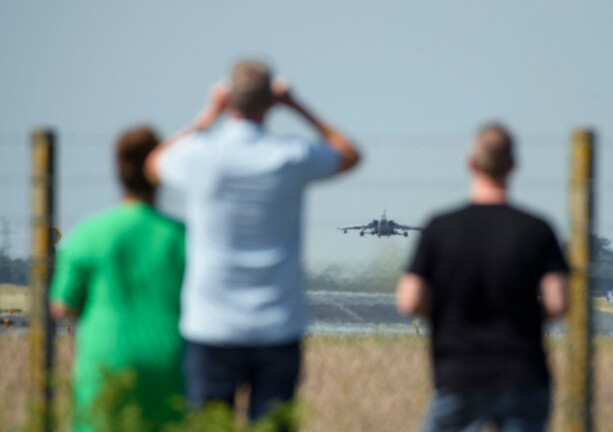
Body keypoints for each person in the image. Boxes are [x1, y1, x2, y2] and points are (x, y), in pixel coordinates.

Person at [144, 60, 361, 427]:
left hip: (210, 327)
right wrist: (296, 104)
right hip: (277, 327)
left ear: (228, 99)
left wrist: (208, 113)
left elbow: (154, 163)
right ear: (271, 102)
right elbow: (349, 153)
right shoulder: (292, 155)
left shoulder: (199, 155)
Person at [396, 123, 569, 432]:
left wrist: (447, 316)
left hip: (457, 375)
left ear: (470, 164)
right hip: (523, 373)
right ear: (514, 165)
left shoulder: (439, 227)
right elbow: (559, 302)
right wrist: (524, 316)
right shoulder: (538, 228)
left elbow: (409, 300)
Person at [50, 127, 186, 432]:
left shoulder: (89, 233)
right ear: (159, 173)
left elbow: (62, 305)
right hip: (167, 361)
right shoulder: (182, 236)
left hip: (105, 360)